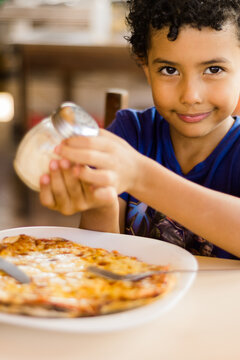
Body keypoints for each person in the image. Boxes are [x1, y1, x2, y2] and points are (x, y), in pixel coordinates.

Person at [39, 0, 240, 259]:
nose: (190, 95)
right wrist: (101, 204)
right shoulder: (130, 132)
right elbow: (104, 261)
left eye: (214, 69)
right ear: (146, 68)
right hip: (144, 297)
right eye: (169, 70)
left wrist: (139, 176)